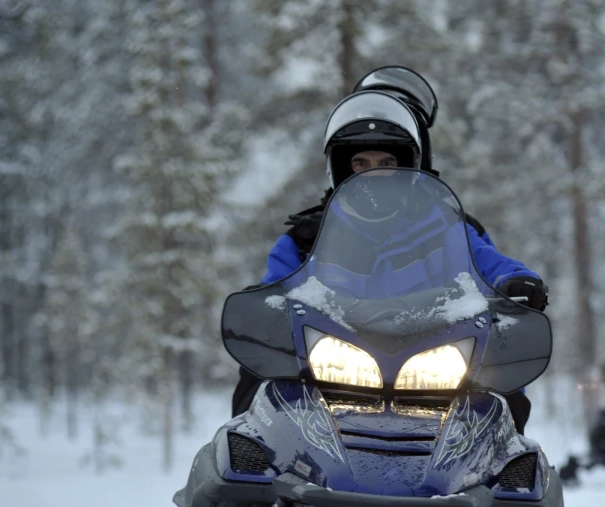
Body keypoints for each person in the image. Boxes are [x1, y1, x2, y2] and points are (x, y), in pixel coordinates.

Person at [231, 85, 547, 432]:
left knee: (500, 373)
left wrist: (516, 281)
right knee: (260, 376)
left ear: (407, 167)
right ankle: (253, 452)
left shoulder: (444, 227)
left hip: (435, 369)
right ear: (341, 168)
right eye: (360, 162)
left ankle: (504, 458)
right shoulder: (306, 238)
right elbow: (275, 287)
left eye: (386, 163)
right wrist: (265, 305)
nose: (373, 172)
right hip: (331, 370)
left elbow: (490, 264)